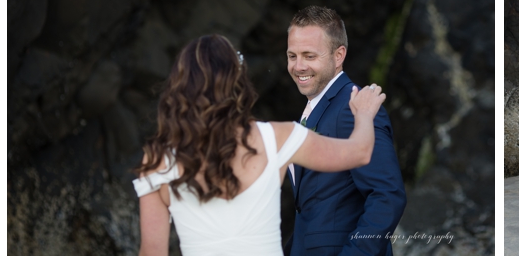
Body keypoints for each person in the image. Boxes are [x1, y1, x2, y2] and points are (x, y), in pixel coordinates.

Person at [134, 34, 388, 255]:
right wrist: (364, 115)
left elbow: (152, 252)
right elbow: (360, 152)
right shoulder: (277, 138)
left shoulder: (157, 161)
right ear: (237, 81)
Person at [284, 6, 406, 255]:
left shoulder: (355, 109)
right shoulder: (316, 108)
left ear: (338, 55)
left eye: (309, 56)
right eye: (292, 56)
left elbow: (388, 196)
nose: (298, 66)